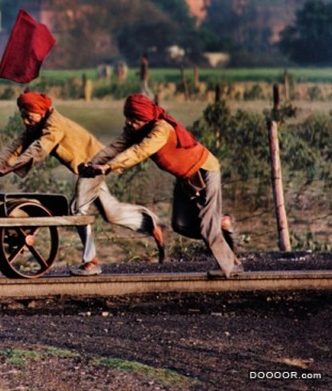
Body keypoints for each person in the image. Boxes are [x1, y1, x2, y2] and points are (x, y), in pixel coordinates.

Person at [0, 92, 164, 276]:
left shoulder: (55, 125)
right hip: (86, 169)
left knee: (78, 209)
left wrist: (8, 169)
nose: (25, 122)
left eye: (28, 117)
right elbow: (15, 147)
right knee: (111, 212)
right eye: (23, 117)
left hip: (92, 165)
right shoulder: (38, 125)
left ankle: (91, 262)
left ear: (42, 112)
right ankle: (149, 224)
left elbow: (39, 149)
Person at [80, 94, 242, 278]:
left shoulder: (161, 130)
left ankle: (229, 266)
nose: (129, 122)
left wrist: (109, 166)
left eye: (133, 118)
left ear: (145, 118)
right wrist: (92, 164)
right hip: (184, 177)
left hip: (205, 170)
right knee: (180, 225)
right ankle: (222, 225)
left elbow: (140, 151)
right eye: (127, 117)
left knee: (206, 224)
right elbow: (114, 148)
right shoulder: (135, 130)